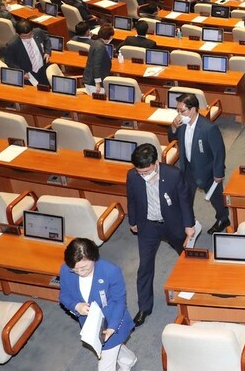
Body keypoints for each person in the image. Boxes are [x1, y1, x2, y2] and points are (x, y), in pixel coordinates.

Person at [126, 143, 195, 326]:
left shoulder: (173, 175)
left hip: (173, 224)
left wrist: (189, 225)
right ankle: (144, 308)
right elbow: (131, 198)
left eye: (147, 171)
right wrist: (132, 221)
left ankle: (194, 287)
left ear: (156, 163)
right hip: (148, 225)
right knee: (145, 267)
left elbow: (185, 202)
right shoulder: (133, 176)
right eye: (140, 172)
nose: (143, 176)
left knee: (187, 258)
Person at [58, 238, 137, 371]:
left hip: (112, 321)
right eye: (75, 270)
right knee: (111, 347)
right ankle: (129, 359)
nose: (80, 273)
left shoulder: (110, 271)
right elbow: (64, 295)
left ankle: (127, 359)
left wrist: (112, 328)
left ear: (93, 258)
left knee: (106, 364)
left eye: (83, 267)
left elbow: (119, 302)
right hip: (90, 324)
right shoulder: (66, 269)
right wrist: (76, 306)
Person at [168, 93, 230, 233]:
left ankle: (223, 218)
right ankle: (189, 223)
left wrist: (218, 173)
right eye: (177, 110)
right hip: (188, 167)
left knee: (217, 199)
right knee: (185, 198)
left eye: (182, 111)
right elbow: (172, 137)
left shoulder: (209, 128)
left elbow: (219, 152)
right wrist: (172, 127)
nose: (179, 114)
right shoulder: (181, 124)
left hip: (207, 170)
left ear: (194, 109)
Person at [3, 19, 52, 86]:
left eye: (30, 35)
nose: (28, 38)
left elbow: (47, 40)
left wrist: (47, 52)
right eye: (24, 37)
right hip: (28, 74)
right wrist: (21, 72)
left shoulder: (37, 32)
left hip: (43, 69)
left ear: (32, 31)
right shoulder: (12, 45)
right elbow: (9, 61)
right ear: (18, 34)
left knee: (46, 90)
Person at [84, 24, 115, 94]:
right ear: (110, 37)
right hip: (93, 82)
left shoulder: (95, 42)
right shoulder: (100, 47)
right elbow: (96, 65)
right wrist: (97, 83)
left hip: (91, 79)